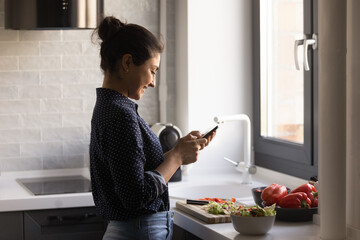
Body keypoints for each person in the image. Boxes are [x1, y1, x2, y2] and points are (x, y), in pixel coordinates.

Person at [89, 16, 216, 240]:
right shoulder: (121, 114)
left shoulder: (109, 106)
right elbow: (136, 196)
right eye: (153, 70)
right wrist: (175, 157)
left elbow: (133, 172)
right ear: (127, 63)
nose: (153, 82)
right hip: (138, 232)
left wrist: (179, 150)